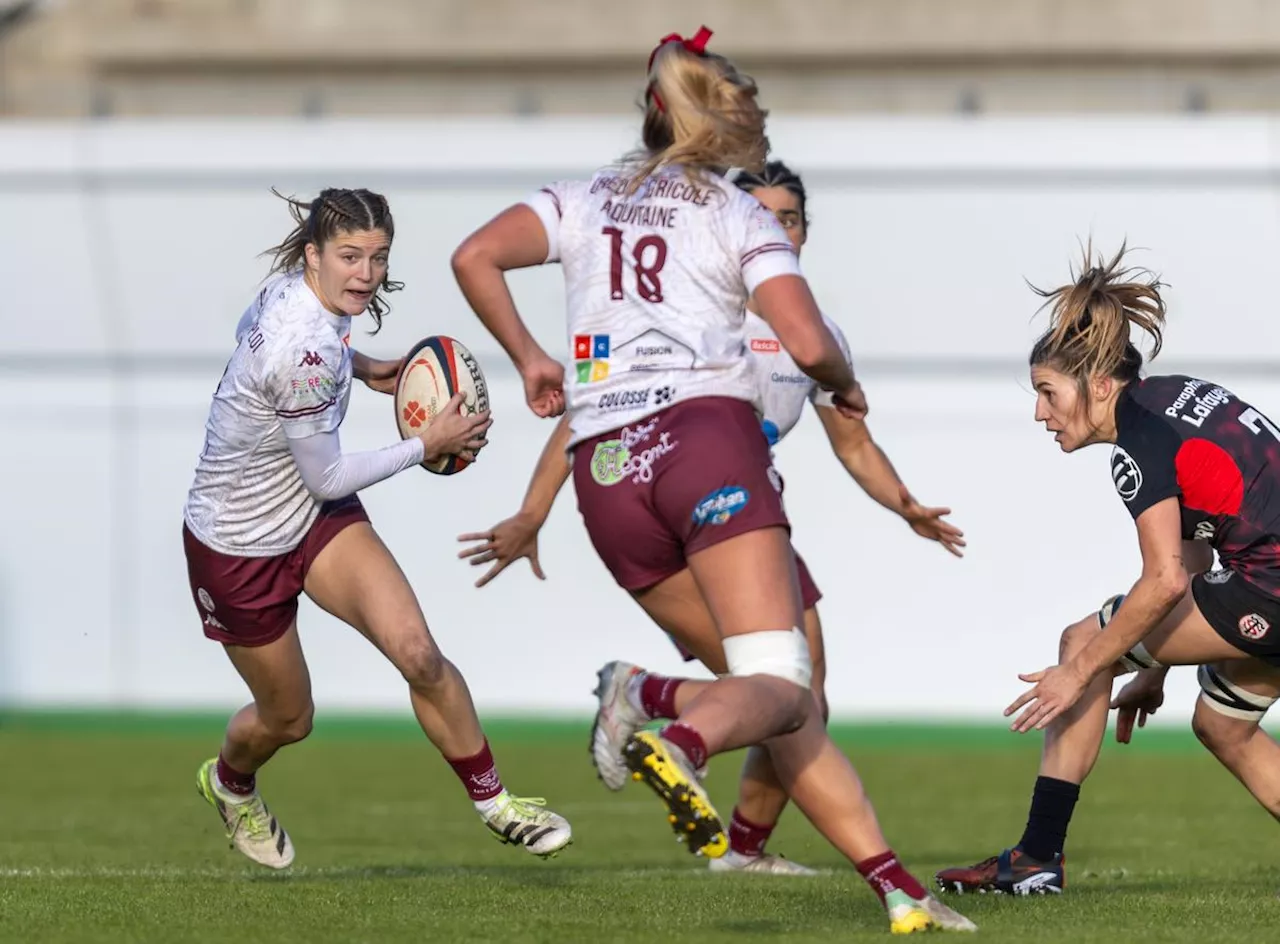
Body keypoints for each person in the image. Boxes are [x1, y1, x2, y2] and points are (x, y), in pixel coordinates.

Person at [451, 27, 975, 934]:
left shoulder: (581, 199)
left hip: (608, 472)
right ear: (719, 121)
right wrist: (843, 379)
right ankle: (677, 735)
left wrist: (534, 359)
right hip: (705, 447)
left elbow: (472, 255)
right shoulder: (740, 216)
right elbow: (809, 345)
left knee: (769, 694)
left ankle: (897, 889)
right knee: (789, 687)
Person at [182, 187, 572, 870]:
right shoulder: (306, 351)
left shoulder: (296, 299)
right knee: (287, 720)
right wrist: (429, 441)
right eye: (349, 256)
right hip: (237, 543)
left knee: (418, 653)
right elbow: (328, 475)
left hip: (312, 522)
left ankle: (496, 803)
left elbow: (307, 422)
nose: (365, 273)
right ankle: (229, 783)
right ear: (313, 255)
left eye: (378, 256)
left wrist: (365, 369)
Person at [936, 244, 1280, 896]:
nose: (1040, 413)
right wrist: (1154, 666)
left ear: (1097, 386)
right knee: (1223, 726)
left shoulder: (1136, 445)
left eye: (1046, 392)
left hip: (1269, 589)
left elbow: (1165, 581)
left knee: (1080, 641)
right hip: (1260, 581)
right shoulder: (1176, 396)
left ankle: (1037, 857)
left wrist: (1083, 670)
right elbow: (1203, 545)